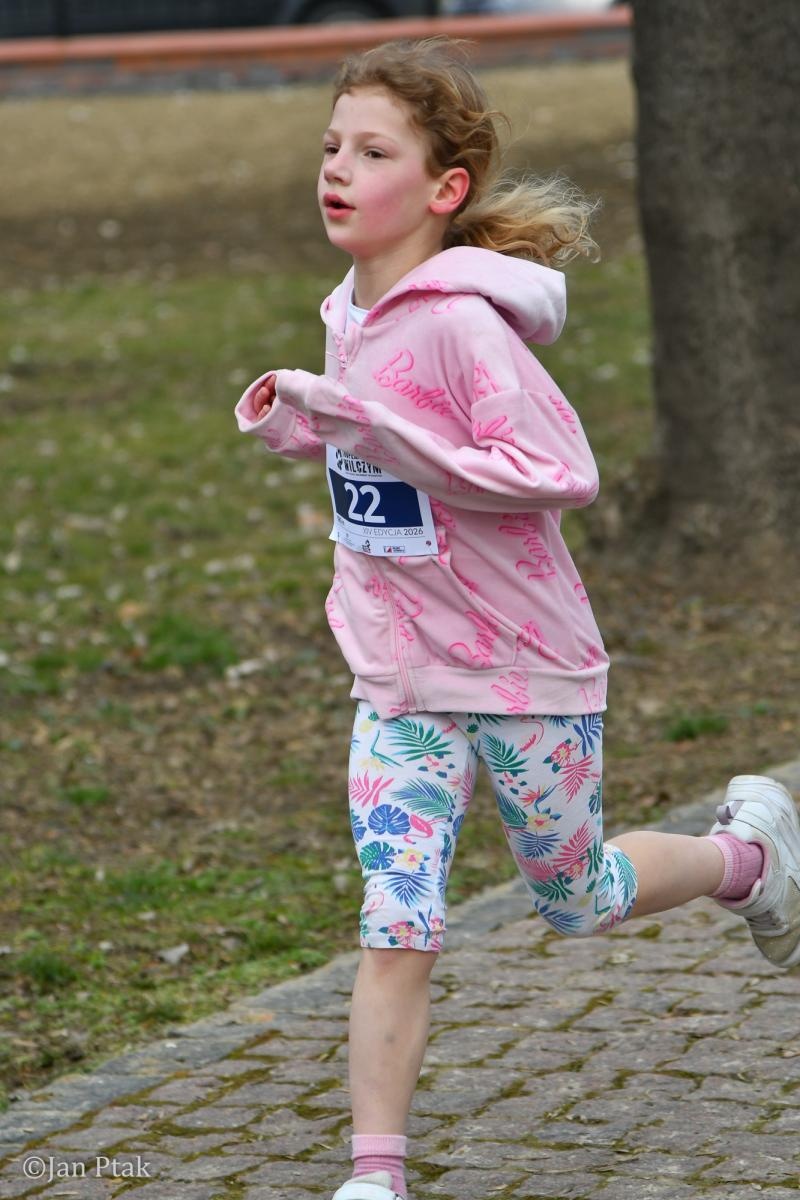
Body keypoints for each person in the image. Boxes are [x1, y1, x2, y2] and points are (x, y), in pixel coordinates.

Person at [235, 37, 800, 1200]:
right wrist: (308, 422)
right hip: (398, 680)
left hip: (524, 671)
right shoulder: (350, 310)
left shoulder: (461, 326)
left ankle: (747, 856)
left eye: (372, 151)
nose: (336, 169)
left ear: (442, 190)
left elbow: (554, 471)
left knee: (576, 899)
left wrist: (377, 431)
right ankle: (373, 1177)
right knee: (397, 924)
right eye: (330, 146)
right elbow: (380, 471)